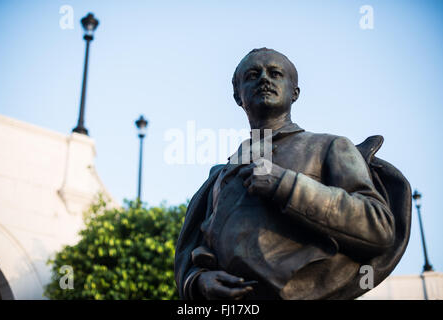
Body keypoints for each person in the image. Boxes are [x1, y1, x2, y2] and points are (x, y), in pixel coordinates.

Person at [175, 48, 408, 300]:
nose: (264, 78)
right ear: (237, 95)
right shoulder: (219, 176)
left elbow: (378, 226)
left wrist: (286, 185)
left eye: (275, 73)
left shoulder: (329, 146)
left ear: (294, 92)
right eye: (253, 74)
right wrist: (198, 281)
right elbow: (194, 253)